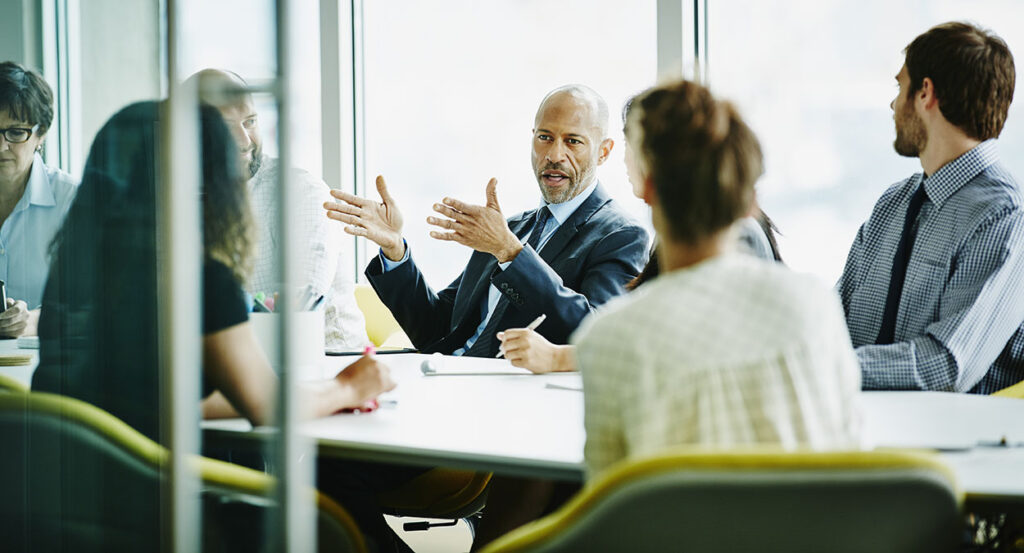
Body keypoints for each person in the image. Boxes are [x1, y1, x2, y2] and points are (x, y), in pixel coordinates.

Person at [32, 101, 402, 549]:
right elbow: (264, 405)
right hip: (166, 515)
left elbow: (148, 395)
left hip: (68, 508)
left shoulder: (75, 267)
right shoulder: (202, 275)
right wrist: (349, 388)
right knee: (334, 527)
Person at [575, 80, 862, 477]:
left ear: (648, 189)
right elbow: (853, 456)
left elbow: (609, 508)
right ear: (749, 196)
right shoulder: (816, 304)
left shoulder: (610, 340)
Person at [324, 84, 649, 358]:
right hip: (449, 379)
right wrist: (396, 250)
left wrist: (510, 252)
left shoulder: (621, 235)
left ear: (604, 152)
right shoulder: (509, 228)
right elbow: (435, 329)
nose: (554, 155)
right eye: (545, 137)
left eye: (573, 141)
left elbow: (596, 336)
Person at [498, 93, 785, 373]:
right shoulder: (681, 233)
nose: (625, 160)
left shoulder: (733, 235)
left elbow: (683, 349)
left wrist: (557, 358)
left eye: (630, 145)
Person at [837, 22, 1024, 394]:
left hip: (956, 445)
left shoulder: (1005, 217)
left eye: (899, 87)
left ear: (925, 93)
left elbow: (946, 365)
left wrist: (823, 369)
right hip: (863, 431)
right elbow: (834, 321)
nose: (893, 105)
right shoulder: (892, 205)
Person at [185, 69, 369, 350]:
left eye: (250, 121)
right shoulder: (175, 198)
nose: (245, 141)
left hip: (329, 367)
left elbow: (296, 312)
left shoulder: (299, 193)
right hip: (228, 372)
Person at [0, 61, 77, 338]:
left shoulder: (71, 199)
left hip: (44, 370)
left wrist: (31, 321)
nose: (1, 146)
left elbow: (94, 303)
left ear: (40, 134)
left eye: (16, 132)